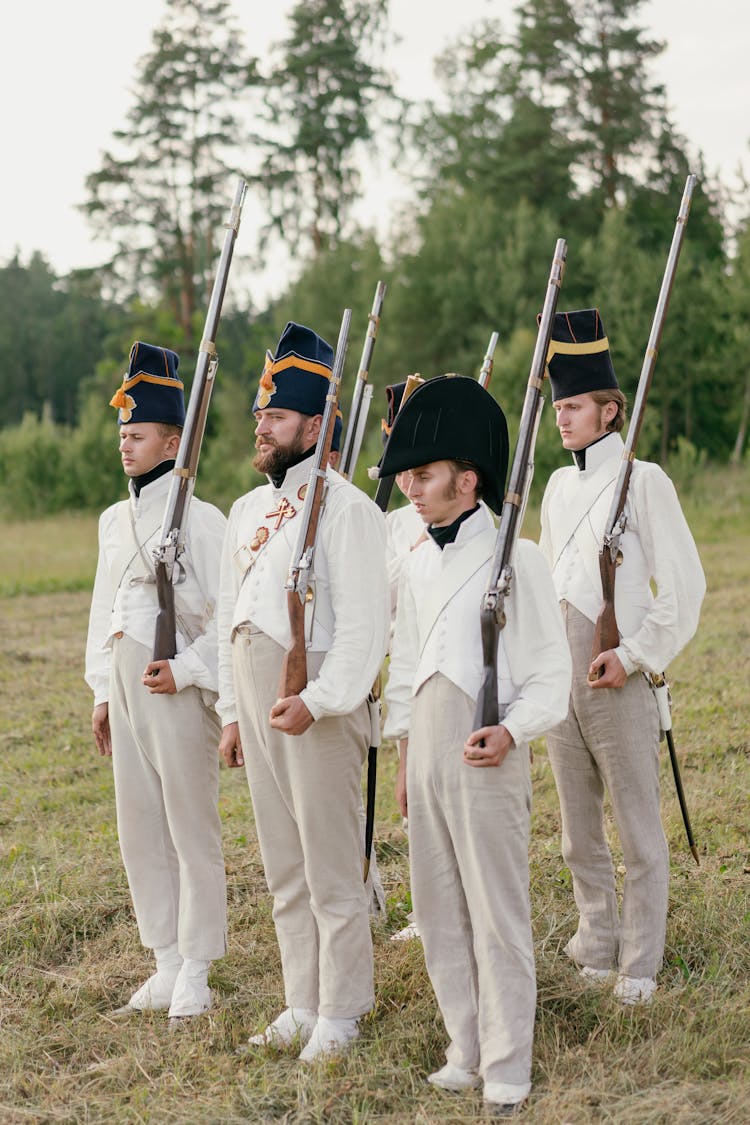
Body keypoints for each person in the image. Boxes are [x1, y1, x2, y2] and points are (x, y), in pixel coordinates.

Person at [381, 376, 571, 1116]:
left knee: (497, 908)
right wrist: (403, 756)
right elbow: (403, 665)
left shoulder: (517, 558)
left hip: (487, 744)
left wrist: (512, 729)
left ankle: (507, 1059)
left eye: (423, 476)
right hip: (426, 749)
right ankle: (464, 1042)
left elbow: (552, 673)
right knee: (436, 904)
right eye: (407, 475)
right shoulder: (418, 560)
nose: (410, 488)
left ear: (467, 479)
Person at [216, 322, 389, 1061]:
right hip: (256, 688)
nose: (263, 426)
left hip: (316, 689)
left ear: (314, 426)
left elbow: (362, 629)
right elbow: (233, 615)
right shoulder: (248, 511)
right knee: (283, 860)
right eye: (261, 415)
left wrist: (318, 699)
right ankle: (302, 997)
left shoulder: (349, 508)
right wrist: (230, 711)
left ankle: (344, 1007)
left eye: (277, 417)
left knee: (328, 858)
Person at [539, 308, 706, 1005]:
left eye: (575, 405)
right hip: (562, 672)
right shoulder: (553, 486)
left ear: (609, 410)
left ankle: (640, 961)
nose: (563, 418)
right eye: (557, 406)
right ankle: (597, 943)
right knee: (578, 831)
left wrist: (634, 654)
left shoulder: (648, 481)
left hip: (618, 671)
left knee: (638, 829)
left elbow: (687, 588)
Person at [85, 341, 228, 1022]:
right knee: (138, 823)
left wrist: (190, 670)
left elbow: (226, 619)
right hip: (127, 680)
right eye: (122, 434)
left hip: (178, 684)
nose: (126, 445)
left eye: (138, 434)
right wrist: (102, 691)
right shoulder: (115, 519)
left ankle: (198, 964)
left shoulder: (203, 519)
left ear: (174, 438)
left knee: (188, 825)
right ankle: (165, 958)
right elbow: (102, 610)